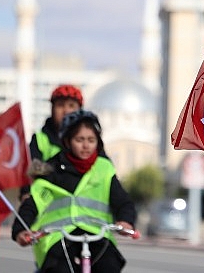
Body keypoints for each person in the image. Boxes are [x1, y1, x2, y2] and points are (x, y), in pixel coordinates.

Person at [12, 110, 136, 273]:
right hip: (59, 238)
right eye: (80, 140)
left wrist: (125, 220)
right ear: (68, 142)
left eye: (91, 140)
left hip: (96, 235)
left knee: (109, 265)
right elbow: (32, 203)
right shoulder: (51, 170)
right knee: (60, 269)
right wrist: (21, 230)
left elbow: (123, 201)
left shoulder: (104, 168)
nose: (86, 146)